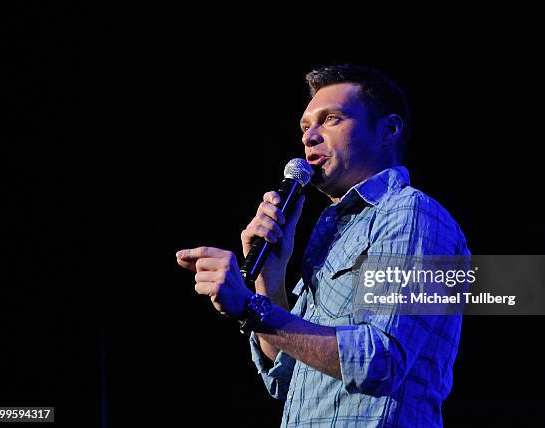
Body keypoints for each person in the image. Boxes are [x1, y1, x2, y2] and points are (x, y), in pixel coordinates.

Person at [176, 64, 470, 427]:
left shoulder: (411, 213)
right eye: (305, 127)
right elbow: (286, 378)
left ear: (389, 130)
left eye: (331, 119)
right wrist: (271, 274)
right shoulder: (332, 232)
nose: (309, 137)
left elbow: (381, 362)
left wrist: (250, 307)